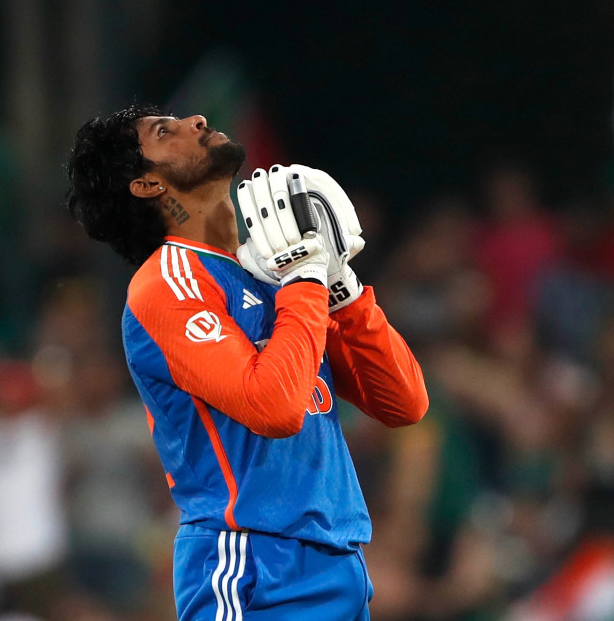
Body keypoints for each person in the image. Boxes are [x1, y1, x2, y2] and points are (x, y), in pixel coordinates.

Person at [64, 102, 428, 620]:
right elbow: (274, 408)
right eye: (165, 132)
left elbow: (404, 400)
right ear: (147, 186)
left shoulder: (268, 270)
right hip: (250, 566)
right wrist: (304, 277)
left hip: (337, 562)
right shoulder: (168, 281)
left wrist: (342, 288)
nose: (195, 122)